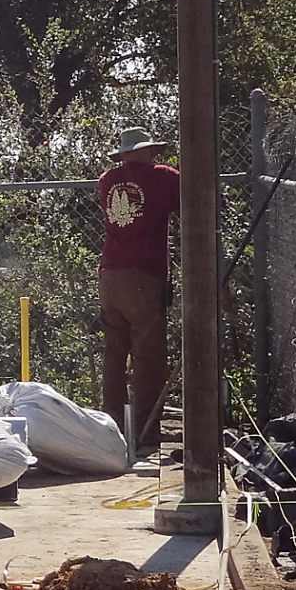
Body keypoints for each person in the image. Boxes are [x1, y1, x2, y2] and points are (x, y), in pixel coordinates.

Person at [98, 125, 179, 454]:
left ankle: (113, 426)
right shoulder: (162, 177)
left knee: (114, 353)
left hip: (109, 275)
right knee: (148, 356)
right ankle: (146, 430)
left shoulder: (107, 180)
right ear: (145, 151)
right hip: (143, 277)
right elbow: (191, 196)